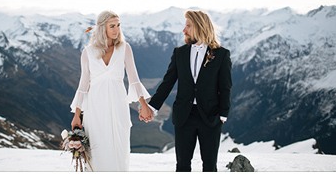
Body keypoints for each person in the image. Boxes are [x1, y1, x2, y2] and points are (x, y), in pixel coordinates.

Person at [139, 10, 232, 172]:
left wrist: (223, 114)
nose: (184, 30)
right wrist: (152, 107)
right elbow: (167, 83)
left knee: (210, 166)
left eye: (188, 25)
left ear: (200, 26)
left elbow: (225, 86)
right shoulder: (179, 53)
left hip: (211, 116)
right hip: (184, 116)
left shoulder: (221, 54)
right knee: (182, 165)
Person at [70, 10, 151, 171]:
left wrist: (144, 104)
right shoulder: (88, 52)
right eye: (112, 26)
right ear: (102, 28)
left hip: (118, 107)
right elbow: (83, 85)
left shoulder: (124, 48)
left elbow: (134, 79)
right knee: (97, 151)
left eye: (118, 25)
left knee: (119, 150)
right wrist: (77, 114)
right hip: (94, 110)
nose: (116, 29)